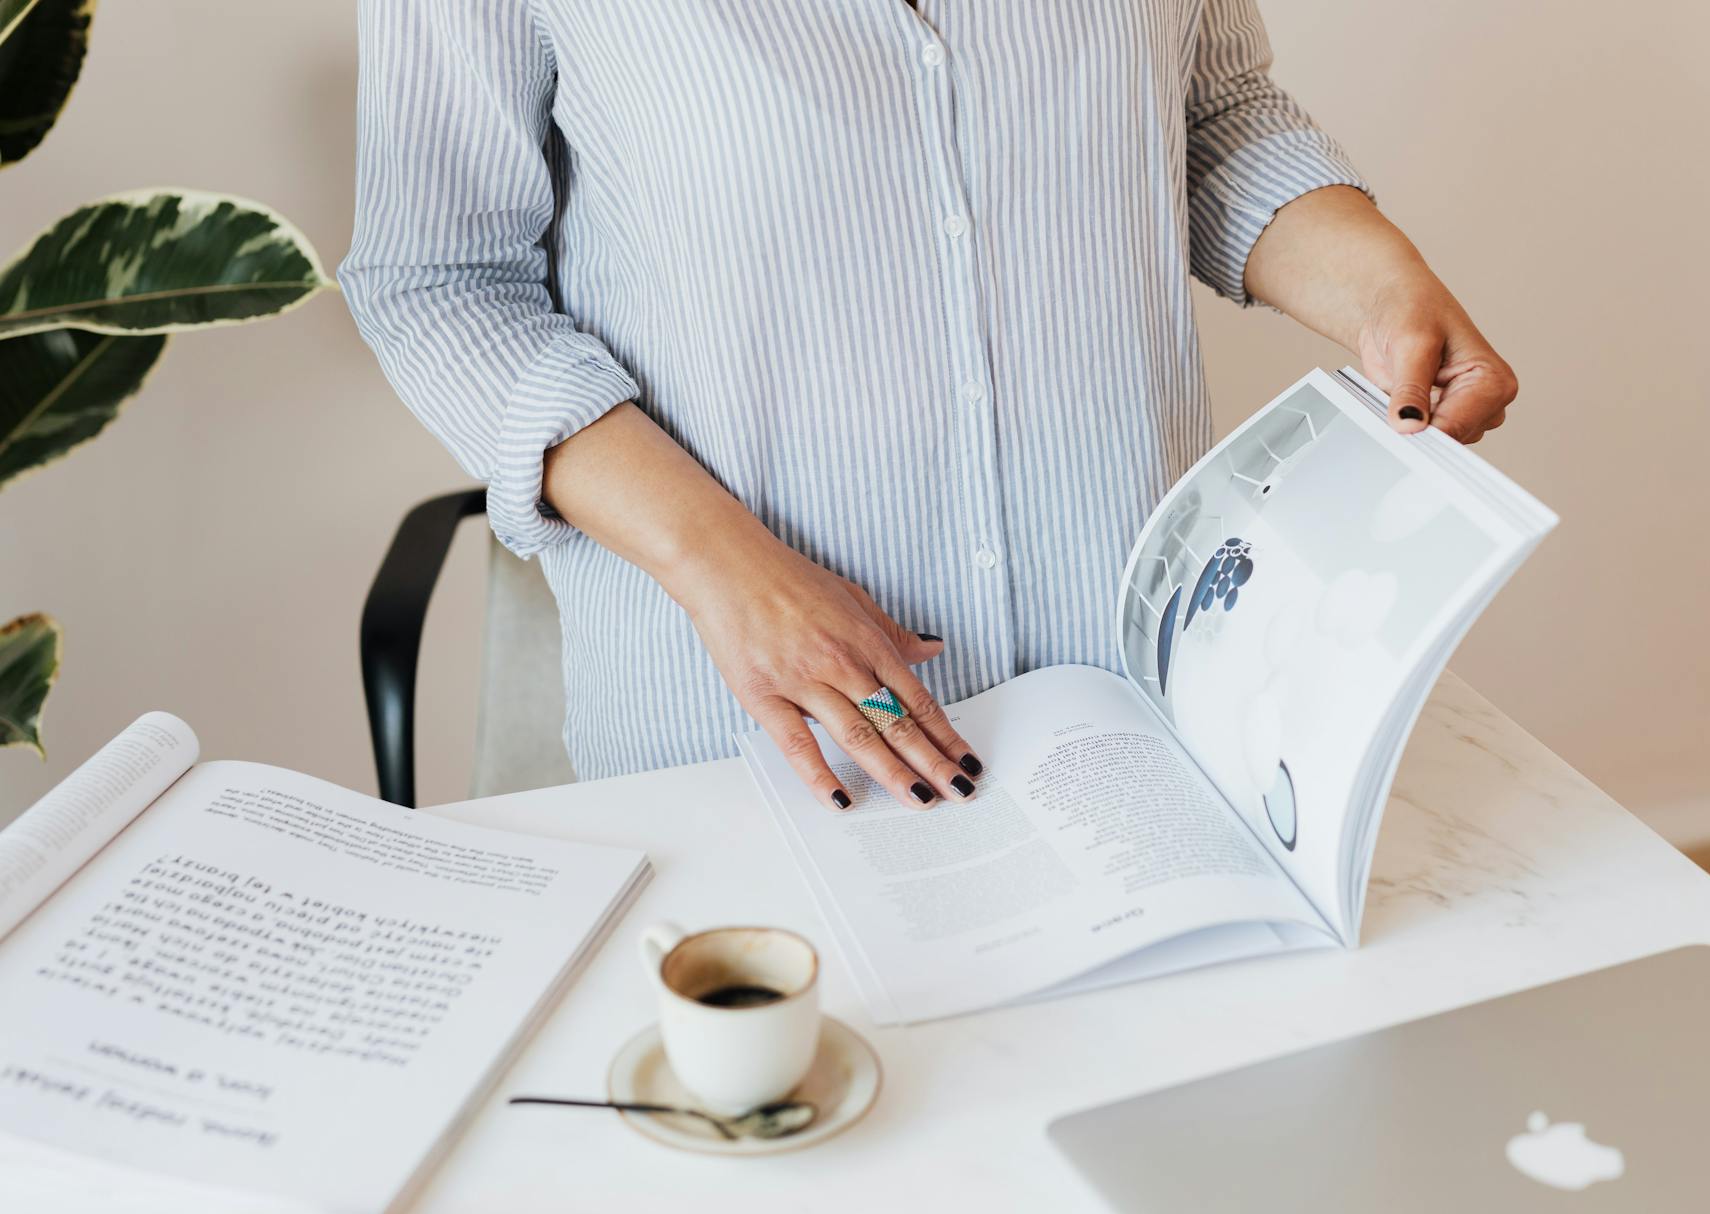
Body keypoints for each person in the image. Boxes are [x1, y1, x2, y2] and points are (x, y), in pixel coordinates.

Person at [339, 2, 1516, 817]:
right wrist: (728, 569)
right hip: (753, 744)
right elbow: (440, 281)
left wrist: (1379, 286)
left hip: (1137, 705)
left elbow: (1207, 114)